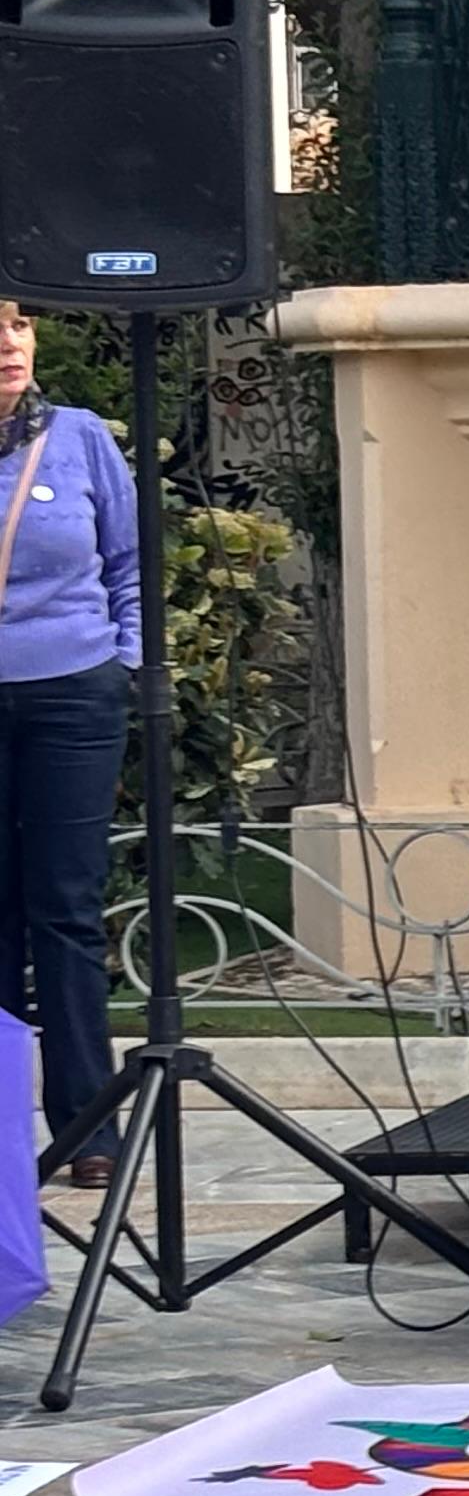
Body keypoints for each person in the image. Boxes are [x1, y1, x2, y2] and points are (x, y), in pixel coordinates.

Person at [0, 305, 136, 1182]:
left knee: (65, 911)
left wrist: (124, 662)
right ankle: (5, 1129)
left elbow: (129, 562)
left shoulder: (80, 438)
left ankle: (88, 1127)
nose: (8, 347)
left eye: (17, 329)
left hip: (73, 698)